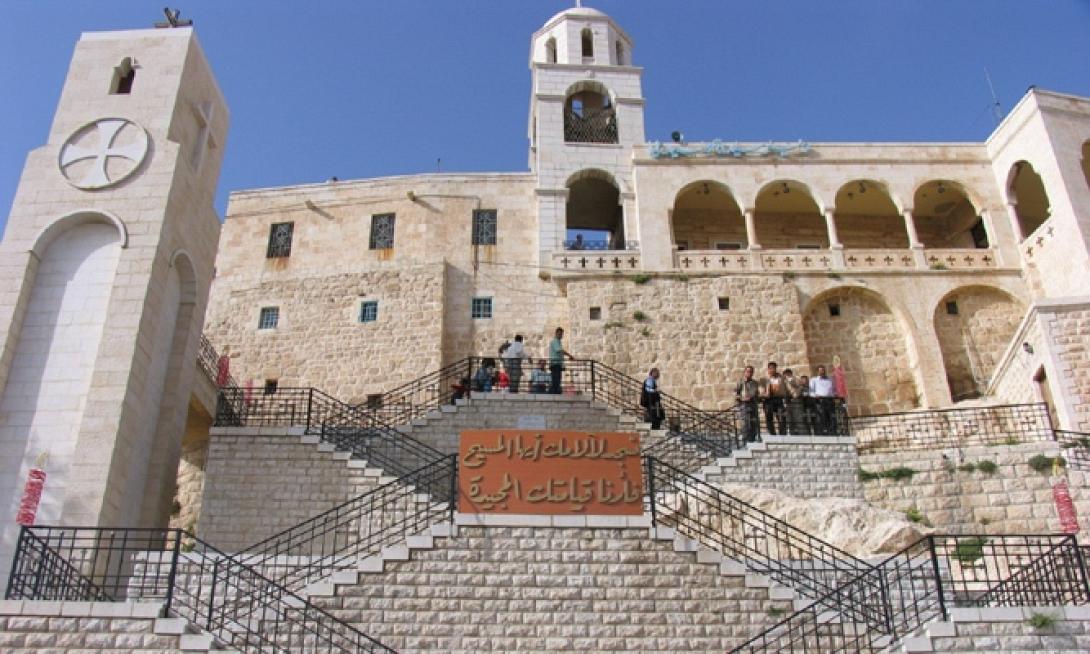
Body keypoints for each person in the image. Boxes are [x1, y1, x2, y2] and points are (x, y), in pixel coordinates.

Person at [759, 361, 787, 435]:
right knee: (769, 418)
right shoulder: (764, 379)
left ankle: (782, 434)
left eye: (774, 368)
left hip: (778, 399)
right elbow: (761, 390)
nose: (772, 370)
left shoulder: (781, 378)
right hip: (768, 400)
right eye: (771, 368)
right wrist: (765, 394)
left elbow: (785, 388)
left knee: (781, 417)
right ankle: (772, 434)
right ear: (768, 369)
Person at [809, 365, 837, 435]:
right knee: (821, 417)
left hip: (830, 400)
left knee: (831, 416)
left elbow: (834, 390)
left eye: (823, 370)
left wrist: (834, 395)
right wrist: (815, 396)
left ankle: (832, 432)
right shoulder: (814, 380)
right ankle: (823, 432)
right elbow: (811, 392)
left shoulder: (830, 380)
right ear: (817, 372)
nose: (822, 372)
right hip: (820, 401)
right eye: (820, 370)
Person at [735, 365, 760, 442]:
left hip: (753, 405)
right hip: (744, 405)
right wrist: (742, 398)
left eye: (751, 372)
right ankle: (745, 440)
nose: (749, 373)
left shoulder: (755, 383)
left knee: (754, 423)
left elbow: (757, 393)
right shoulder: (740, 382)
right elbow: (736, 394)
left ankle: (753, 439)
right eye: (748, 371)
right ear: (744, 372)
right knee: (745, 423)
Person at [548, 327, 568, 394]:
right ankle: (554, 392)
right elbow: (559, 350)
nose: (560, 335)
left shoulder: (558, 342)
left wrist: (562, 365)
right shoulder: (555, 341)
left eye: (561, 334)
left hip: (557, 364)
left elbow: (560, 354)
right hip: (555, 363)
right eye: (559, 334)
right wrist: (569, 355)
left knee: (557, 379)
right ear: (556, 333)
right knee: (556, 380)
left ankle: (555, 391)